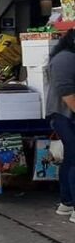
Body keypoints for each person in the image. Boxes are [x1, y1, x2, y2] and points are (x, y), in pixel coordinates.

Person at [46, 29, 75, 222]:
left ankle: (67, 203)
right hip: (67, 116)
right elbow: (67, 93)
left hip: (67, 116)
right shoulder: (65, 58)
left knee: (71, 158)